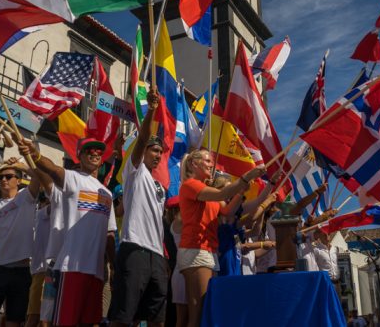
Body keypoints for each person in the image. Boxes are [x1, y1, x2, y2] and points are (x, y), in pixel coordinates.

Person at [17, 136, 117, 327]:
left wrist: (114, 267)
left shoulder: (108, 194)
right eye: (89, 151)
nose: (95, 154)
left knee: (89, 323)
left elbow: (109, 235)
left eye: (98, 151)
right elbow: (52, 169)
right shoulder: (73, 178)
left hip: (96, 272)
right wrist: (35, 155)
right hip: (72, 267)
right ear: (79, 156)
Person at [178, 149, 265, 327]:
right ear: (194, 164)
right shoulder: (190, 185)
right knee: (198, 312)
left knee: (207, 309)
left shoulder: (206, 190)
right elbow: (221, 195)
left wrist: (240, 192)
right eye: (208, 161)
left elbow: (227, 211)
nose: (212, 165)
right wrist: (246, 177)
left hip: (208, 251)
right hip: (196, 250)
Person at [108, 87, 168, 327]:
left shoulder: (160, 187)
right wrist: (151, 111)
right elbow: (142, 139)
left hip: (157, 255)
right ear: (143, 152)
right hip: (135, 250)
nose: (158, 155)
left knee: (156, 317)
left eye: (161, 152)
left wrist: (164, 258)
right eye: (154, 150)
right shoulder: (134, 171)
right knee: (124, 317)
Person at [0, 161, 42, 327]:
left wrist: (21, 165)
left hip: (21, 271)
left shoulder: (26, 196)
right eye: (1, 177)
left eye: (9, 176)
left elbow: (38, 176)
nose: (4, 179)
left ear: (18, 180)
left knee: (14, 322)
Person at [25, 194, 51, 327]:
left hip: (54, 272)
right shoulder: (41, 214)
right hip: (42, 272)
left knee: (47, 319)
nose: (46, 203)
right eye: (44, 200)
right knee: (35, 318)